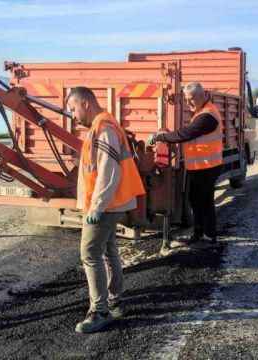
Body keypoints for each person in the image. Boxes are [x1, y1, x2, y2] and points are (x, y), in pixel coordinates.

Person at [67, 87, 145, 334]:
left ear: (86, 104)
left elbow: (109, 171)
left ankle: (99, 311)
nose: (72, 115)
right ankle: (115, 300)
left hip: (105, 205)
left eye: (73, 108)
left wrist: (97, 206)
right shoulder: (101, 126)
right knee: (109, 250)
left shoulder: (104, 129)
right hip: (110, 203)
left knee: (90, 253)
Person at [148, 82, 224, 248]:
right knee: (197, 200)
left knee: (202, 201)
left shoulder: (208, 115)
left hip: (207, 167)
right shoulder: (200, 112)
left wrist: (161, 137)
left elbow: (187, 133)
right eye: (186, 100)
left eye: (191, 99)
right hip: (200, 166)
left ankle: (207, 236)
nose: (188, 103)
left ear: (203, 96)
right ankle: (202, 234)